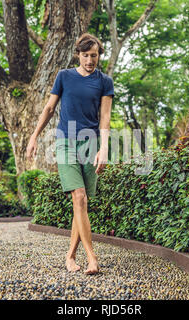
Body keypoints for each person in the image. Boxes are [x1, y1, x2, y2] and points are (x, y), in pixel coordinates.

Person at [26, 33, 114, 275]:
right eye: (85, 55)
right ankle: (92, 258)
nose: (89, 60)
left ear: (99, 56)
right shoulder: (64, 76)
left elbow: (105, 118)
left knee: (82, 201)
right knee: (78, 196)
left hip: (90, 142)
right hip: (65, 140)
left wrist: (103, 148)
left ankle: (70, 255)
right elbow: (49, 107)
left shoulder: (105, 81)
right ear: (78, 54)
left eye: (94, 55)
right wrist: (34, 136)